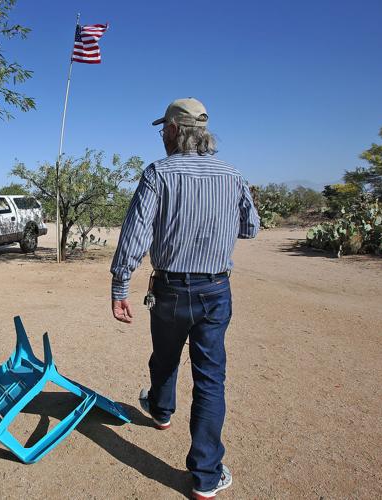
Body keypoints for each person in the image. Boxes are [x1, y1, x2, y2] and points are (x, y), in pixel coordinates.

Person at [110, 97, 259, 499]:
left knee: (164, 354)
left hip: (170, 288)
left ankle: (160, 411)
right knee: (210, 380)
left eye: (164, 130)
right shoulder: (233, 175)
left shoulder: (159, 173)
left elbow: (136, 236)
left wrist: (120, 286)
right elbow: (250, 229)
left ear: (175, 130)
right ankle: (206, 477)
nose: (162, 136)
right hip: (215, 288)